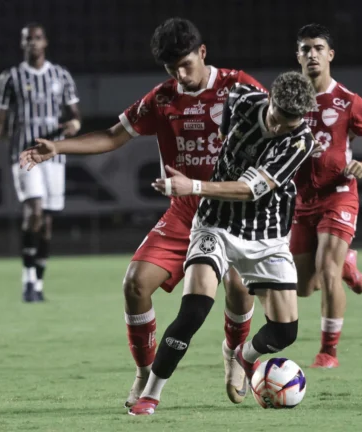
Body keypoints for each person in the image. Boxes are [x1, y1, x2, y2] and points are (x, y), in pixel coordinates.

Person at [19, 18, 265, 406]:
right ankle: (145, 370)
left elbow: (274, 132)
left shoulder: (240, 87)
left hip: (232, 210)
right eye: (172, 70)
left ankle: (235, 354)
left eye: (186, 65)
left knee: (238, 287)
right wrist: (59, 147)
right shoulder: (163, 98)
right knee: (134, 283)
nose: (181, 76)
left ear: (203, 53)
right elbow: (113, 136)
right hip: (185, 212)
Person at [128, 72, 317, 416]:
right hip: (215, 223)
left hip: (266, 236)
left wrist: (194, 186)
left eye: (290, 123)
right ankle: (151, 394)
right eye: (278, 117)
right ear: (269, 99)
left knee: (285, 331)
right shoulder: (242, 99)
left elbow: (248, 189)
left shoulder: (300, 141)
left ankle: (242, 356)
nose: (280, 128)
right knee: (194, 310)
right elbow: (223, 130)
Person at [290, 24, 362, 368]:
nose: (312, 54)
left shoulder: (348, 101)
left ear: (330, 55)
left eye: (318, 48)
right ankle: (348, 263)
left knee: (327, 270)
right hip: (302, 200)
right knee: (304, 286)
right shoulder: (289, 100)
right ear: (298, 56)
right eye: (305, 49)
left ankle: (328, 352)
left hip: (339, 194)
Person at [0, 22, 81, 303]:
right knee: (33, 211)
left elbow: (74, 114)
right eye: (27, 39)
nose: (33, 43)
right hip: (23, 154)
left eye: (37, 38)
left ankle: (37, 281)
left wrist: (73, 125)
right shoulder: (10, 77)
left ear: (45, 42)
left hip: (54, 155)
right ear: (22, 44)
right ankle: (27, 279)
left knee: (46, 222)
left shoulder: (61, 75)